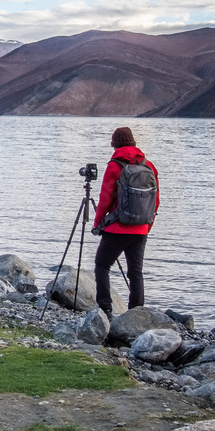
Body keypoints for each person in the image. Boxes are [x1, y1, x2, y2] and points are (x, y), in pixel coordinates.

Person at [91, 126, 159, 319]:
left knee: (102, 265)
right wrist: (148, 225)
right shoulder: (149, 166)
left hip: (117, 228)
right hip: (141, 228)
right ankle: (136, 312)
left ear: (115, 144)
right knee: (135, 271)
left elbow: (105, 198)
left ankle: (105, 309)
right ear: (133, 143)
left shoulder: (114, 166)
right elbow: (156, 199)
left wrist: (98, 224)